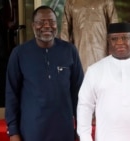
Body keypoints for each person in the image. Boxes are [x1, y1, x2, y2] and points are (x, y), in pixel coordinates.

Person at [5, 5, 84, 141]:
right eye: (41, 22)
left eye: (51, 21)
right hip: (31, 131)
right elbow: (11, 94)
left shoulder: (69, 51)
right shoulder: (19, 54)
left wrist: (80, 129)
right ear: (32, 26)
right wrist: (13, 132)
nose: (47, 25)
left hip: (64, 131)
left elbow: (79, 94)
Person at [60, 0, 118, 72]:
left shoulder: (107, 1)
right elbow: (65, 31)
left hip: (101, 52)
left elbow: (115, 28)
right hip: (79, 51)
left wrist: (114, 53)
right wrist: (65, 55)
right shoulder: (71, 2)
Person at [0, 0, 18, 107]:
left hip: (9, 51)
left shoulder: (18, 12)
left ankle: (7, 101)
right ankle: (3, 101)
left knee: (7, 77)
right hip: (3, 51)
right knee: (3, 77)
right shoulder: (4, 12)